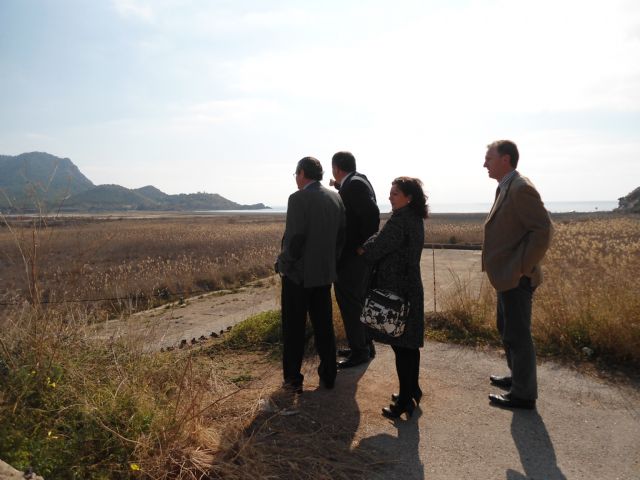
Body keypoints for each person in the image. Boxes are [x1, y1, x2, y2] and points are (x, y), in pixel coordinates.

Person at [482, 140, 553, 410]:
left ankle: (523, 395)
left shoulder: (521, 188)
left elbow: (543, 230)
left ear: (505, 159)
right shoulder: (506, 186)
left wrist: (522, 267)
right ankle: (517, 378)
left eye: (489, 158)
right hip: (506, 275)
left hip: (516, 276)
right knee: (507, 328)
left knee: (518, 335)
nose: (484, 164)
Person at [358, 177, 427, 419]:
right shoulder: (414, 217)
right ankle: (412, 390)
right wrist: (373, 243)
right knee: (409, 345)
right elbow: (380, 239)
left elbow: (376, 248)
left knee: (401, 347)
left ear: (409, 197)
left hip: (397, 290)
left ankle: (405, 401)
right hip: (409, 287)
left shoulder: (400, 220)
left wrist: (364, 249)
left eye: (395, 193)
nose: (390, 196)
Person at [276, 156, 346, 393]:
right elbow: (341, 237)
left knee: (293, 329)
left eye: (296, 174)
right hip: (324, 274)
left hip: (299, 275)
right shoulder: (335, 197)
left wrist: (283, 264)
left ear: (302, 173)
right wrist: (331, 262)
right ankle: (329, 375)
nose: (295, 179)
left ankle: (293, 379)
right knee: (324, 326)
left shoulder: (298, 198)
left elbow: (295, 240)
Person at [330, 151, 380, 369]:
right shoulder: (358, 180)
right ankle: (364, 345)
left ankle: (360, 351)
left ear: (336, 168)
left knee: (350, 303)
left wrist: (363, 246)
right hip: (355, 256)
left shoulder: (354, 185)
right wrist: (338, 186)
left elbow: (371, 214)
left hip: (352, 256)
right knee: (358, 302)